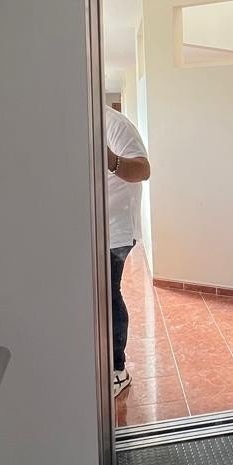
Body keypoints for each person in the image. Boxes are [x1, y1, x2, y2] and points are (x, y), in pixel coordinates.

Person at [105, 105, 151, 398]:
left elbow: (143, 169)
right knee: (99, 297)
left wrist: (110, 160)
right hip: (95, 229)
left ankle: (118, 370)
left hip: (117, 230)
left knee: (108, 295)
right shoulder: (77, 120)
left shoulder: (115, 124)